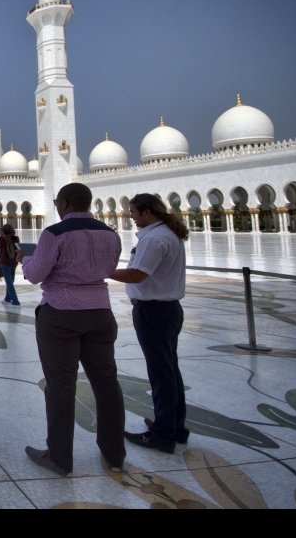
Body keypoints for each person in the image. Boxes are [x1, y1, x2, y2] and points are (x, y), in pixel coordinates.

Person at [19, 182, 125, 477]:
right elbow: (111, 267)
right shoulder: (110, 233)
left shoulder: (54, 234)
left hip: (62, 314)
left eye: (57, 201)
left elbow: (35, 274)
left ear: (64, 203)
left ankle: (60, 457)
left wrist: (24, 260)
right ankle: (115, 454)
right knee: (106, 384)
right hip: (101, 313)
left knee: (61, 387)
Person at [109, 193, 191, 454]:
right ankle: (175, 426)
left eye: (133, 212)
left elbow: (137, 274)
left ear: (147, 212)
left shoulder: (154, 239)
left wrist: (102, 270)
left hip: (154, 313)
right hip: (168, 311)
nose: (131, 216)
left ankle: (163, 434)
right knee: (169, 370)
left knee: (161, 373)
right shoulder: (167, 233)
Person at [0, 223, 19, 305]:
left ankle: (15, 301)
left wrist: (1, 236)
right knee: (11, 281)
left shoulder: (3, 239)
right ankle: (7, 298)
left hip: (5, 262)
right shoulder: (16, 238)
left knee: (9, 283)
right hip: (14, 262)